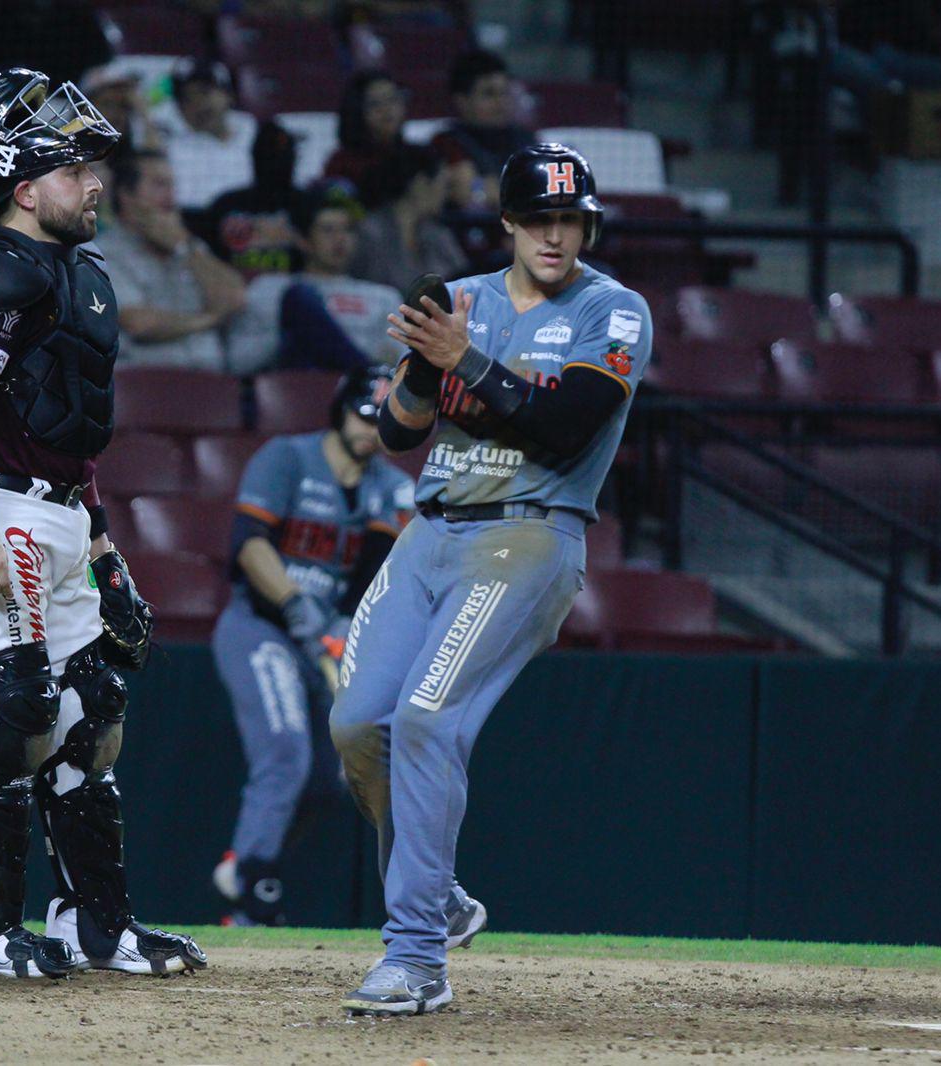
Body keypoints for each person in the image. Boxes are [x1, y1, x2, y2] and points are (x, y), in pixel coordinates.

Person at [329, 143, 652, 1015]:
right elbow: (398, 433)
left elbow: (565, 427)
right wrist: (430, 366)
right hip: (429, 533)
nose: (556, 234)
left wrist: (464, 361)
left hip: (527, 539)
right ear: (508, 221)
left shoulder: (613, 311)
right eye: (539, 218)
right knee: (359, 725)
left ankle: (415, 957)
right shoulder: (460, 301)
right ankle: (438, 894)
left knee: (429, 719)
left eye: (570, 219)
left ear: (588, 224)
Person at [0, 68, 207, 979]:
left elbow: (65, 434)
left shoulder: (73, 268)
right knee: (16, 710)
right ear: (24, 185)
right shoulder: (1, 267)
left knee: (92, 717)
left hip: (62, 517)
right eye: (76, 168)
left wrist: (106, 540)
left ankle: (96, 927)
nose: (95, 182)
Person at [210, 366, 414, 926]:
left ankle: (246, 866)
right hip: (262, 626)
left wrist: (346, 627)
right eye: (362, 416)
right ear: (340, 409)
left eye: (382, 422)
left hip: (330, 639)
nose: (369, 431)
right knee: (284, 753)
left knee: (330, 779)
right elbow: (249, 547)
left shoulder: (390, 488)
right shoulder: (287, 458)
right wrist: (296, 604)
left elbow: (381, 571)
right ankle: (252, 888)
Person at [96, 148, 247, 370]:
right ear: (126, 194)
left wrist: (185, 247)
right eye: (159, 185)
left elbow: (235, 297)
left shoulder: (188, 247)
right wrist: (210, 320)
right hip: (145, 383)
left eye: (172, 185)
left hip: (213, 384)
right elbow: (140, 324)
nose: (171, 196)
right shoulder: (103, 252)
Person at [226, 183, 403, 372]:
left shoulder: (383, 297)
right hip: (297, 389)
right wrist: (292, 329)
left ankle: (360, 374)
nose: (340, 239)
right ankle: (361, 372)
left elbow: (403, 362)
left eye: (348, 230)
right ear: (303, 240)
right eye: (328, 230)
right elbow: (237, 362)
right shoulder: (269, 289)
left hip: (359, 397)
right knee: (298, 298)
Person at [351, 145, 469, 295]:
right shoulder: (369, 233)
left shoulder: (439, 235)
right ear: (420, 184)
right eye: (443, 184)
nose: (445, 194)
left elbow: (464, 283)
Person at [431, 50, 535, 211]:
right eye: (489, 94)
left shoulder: (526, 140)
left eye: (504, 93)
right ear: (462, 101)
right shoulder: (447, 143)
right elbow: (465, 194)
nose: (501, 103)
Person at [151, 59, 259, 212]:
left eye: (205, 92)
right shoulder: (173, 149)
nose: (198, 104)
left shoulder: (257, 132)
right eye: (187, 99)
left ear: (228, 94)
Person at [203, 120, 304, 279]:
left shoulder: (308, 206)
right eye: (269, 156)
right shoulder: (225, 206)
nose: (276, 165)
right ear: (255, 156)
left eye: (282, 156)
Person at [323, 70, 409, 204]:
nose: (387, 109)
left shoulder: (415, 157)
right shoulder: (342, 164)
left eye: (393, 99)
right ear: (356, 110)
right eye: (375, 103)